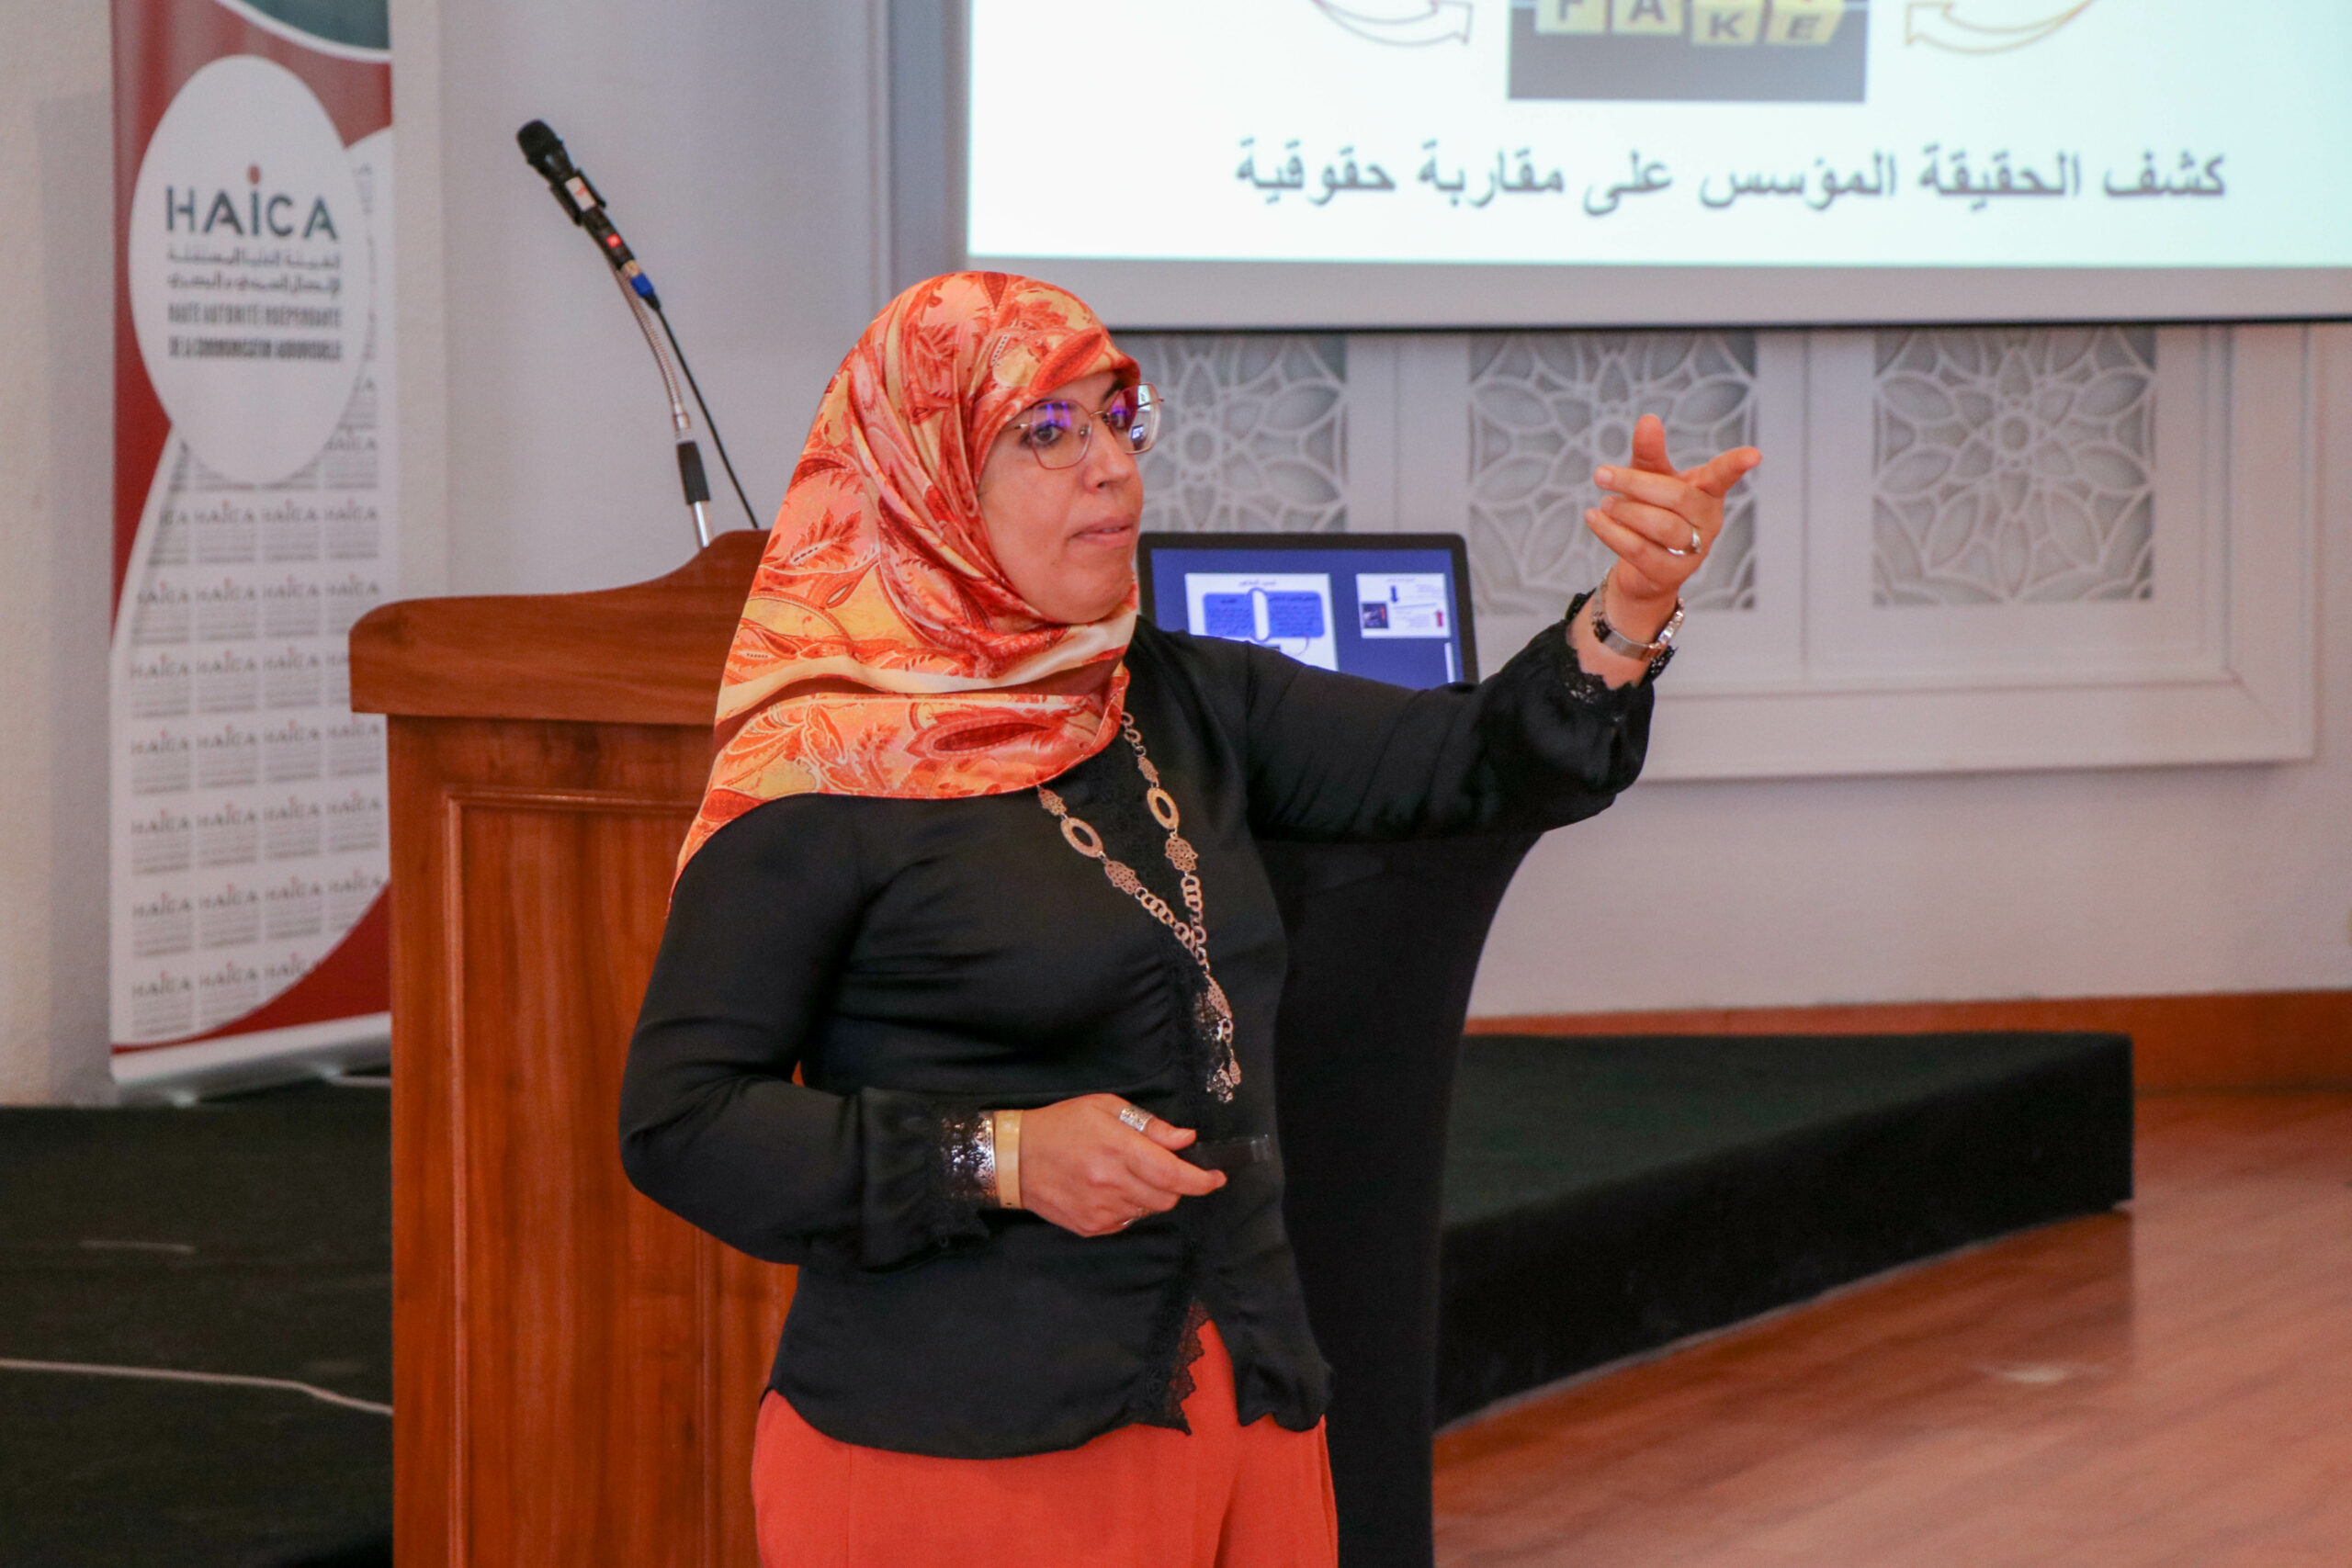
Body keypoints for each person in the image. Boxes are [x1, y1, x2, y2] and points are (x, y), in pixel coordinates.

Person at [618, 271, 1759, 1568]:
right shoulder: (825, 767)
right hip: (972, 1445)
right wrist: (1002, 1157)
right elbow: (682, 1123)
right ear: (927, 478)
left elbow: (1466, 764)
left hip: (1241, 1391)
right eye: (1047, 433)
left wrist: (1628, 612)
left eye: (1118, 418)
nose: (1111, 466)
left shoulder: (1162, 691)